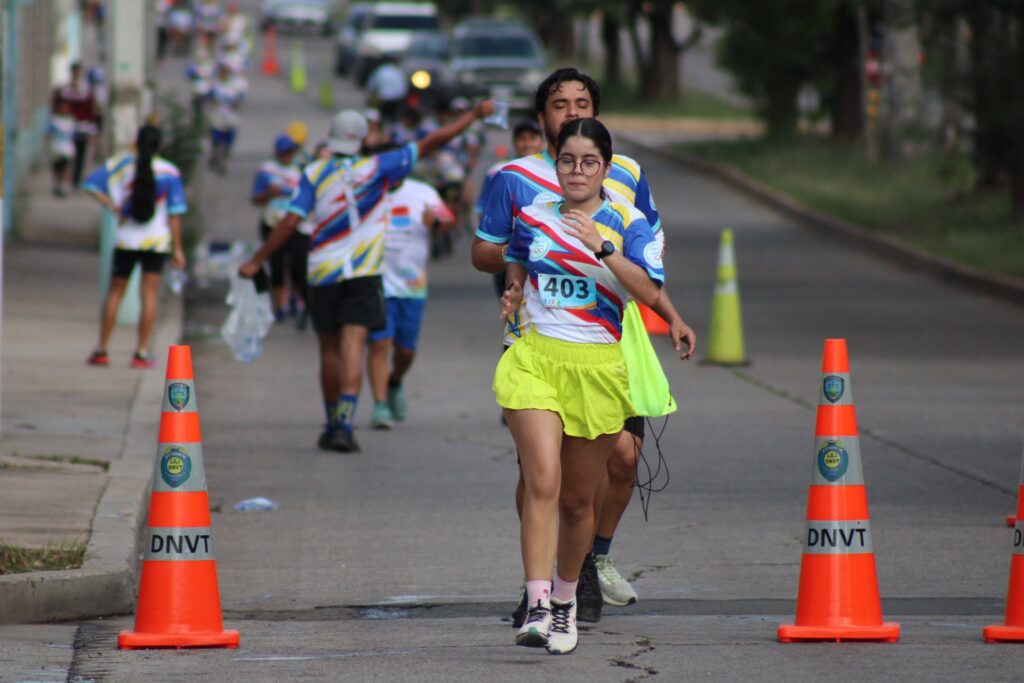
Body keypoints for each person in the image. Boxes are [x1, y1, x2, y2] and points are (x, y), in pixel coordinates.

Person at [473, 67, 696, 626]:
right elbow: (488, 251)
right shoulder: (516, 179)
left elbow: (647, 262)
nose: (571, 112)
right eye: (559, 104)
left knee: (620, 459)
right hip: (535, 339)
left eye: (582, 103)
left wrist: (660, 305)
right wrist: (531, 259)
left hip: (608, 340)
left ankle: (589, 561)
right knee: (540, 470)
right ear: (542, 116)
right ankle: (540, 587)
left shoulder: (627, 176)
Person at [496, 118, 665, 655]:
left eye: (589, 162)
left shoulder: (629, 221)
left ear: (605, 168)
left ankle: (566, 602)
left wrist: (603, 247)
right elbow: (516, 258)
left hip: (597, 368)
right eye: (567, 160)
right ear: (556, 165)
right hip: (536, 360)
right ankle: (537, 604)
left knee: (575, 502)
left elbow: (648, 291)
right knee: (542, 480)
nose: (576, 171)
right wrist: (514, 288)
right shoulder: (533, 214)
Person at [238, 101, 496, 453]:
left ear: (332, 138)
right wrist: (473, 116)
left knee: (329, 350)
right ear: (361, 140)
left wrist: (256, 260)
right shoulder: (377, 167)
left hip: (323, 272)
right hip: (364, 272)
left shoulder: (314, 173)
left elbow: (289, 221)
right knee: (354, 347)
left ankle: (331, 423)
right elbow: (434, 141)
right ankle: (345, 426)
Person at [82, 125, 187, 368]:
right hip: (156, 242)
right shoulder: (169, 172)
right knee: (149, 295)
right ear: (160, 146)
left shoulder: (121, 164)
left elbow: (90, 185)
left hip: (126, 240)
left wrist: (114, 206)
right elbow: (175, 214)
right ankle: (141, 352)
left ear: (135, 143)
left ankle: (101, 350)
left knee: (115, 292)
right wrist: (178, 248)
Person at [366, 175, 454, 429]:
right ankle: (380, 405)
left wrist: (436, 222)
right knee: (379, 344)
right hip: (375, 282)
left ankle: (394, 382)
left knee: (406, 351)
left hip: (411, 285)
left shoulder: (423, 192)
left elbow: (448, 220)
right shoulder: (368, 190)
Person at [475, 118, 545, 296]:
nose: (527, 144)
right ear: (514, 142)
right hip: (509, 253)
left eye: (532, 138)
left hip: (545, 255)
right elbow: (483, 210)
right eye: (522, 139)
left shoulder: (557, 171)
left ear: (541, 141)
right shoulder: (500, 171)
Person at [251, 134, 303, 321]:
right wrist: (269, 193)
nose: (286, 156)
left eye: (289, 152)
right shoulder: (267, 170)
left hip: (295, 224)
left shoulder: (301, 170)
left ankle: (295, 300)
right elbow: (255, 198)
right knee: (277, 264)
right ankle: (279, 305)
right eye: (283, 152)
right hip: (272, 222)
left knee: (296, 264)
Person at [52, 62, 99, 190]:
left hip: (83, 128)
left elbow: (91, 111)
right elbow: (57, 106)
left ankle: (76, 181)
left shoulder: (86, 90)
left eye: (78, 72)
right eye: (75, 72)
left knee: (80, 155)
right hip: (67, 128)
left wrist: (93, 130)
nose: (76, 74)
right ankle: (64, 181)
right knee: (66, 157)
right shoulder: (65, 90)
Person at [207, 57, 247, 174]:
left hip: (230, 119)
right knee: (215, 139)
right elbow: (209, 100)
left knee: (228, 143)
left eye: (226, 71)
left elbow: (240, 103)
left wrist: (236, 105)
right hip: (217, 118)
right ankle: (214, 155)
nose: (224, 73)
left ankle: (223, 162)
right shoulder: (215, 85)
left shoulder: (235, 87)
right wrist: (212, 103)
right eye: (222, 71)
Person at [365, 56, 408, 127]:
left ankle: (377, 125)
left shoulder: (379, 70)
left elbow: (371, 86)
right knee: (393, 118)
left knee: (377, 112)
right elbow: (404, 88)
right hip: (398, 99)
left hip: (384, 99)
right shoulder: (398, 70)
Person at [47, 99, 76, 197]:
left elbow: (73, 134)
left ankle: (63, 186)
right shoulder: (54, 120)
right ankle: (58, 184)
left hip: (66, 148)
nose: (64, 109)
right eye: (62, 107)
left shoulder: (71, 120)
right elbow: (48, 133)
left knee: (65, 167)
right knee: (57, 168)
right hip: (56, 148)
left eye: (66, 107)